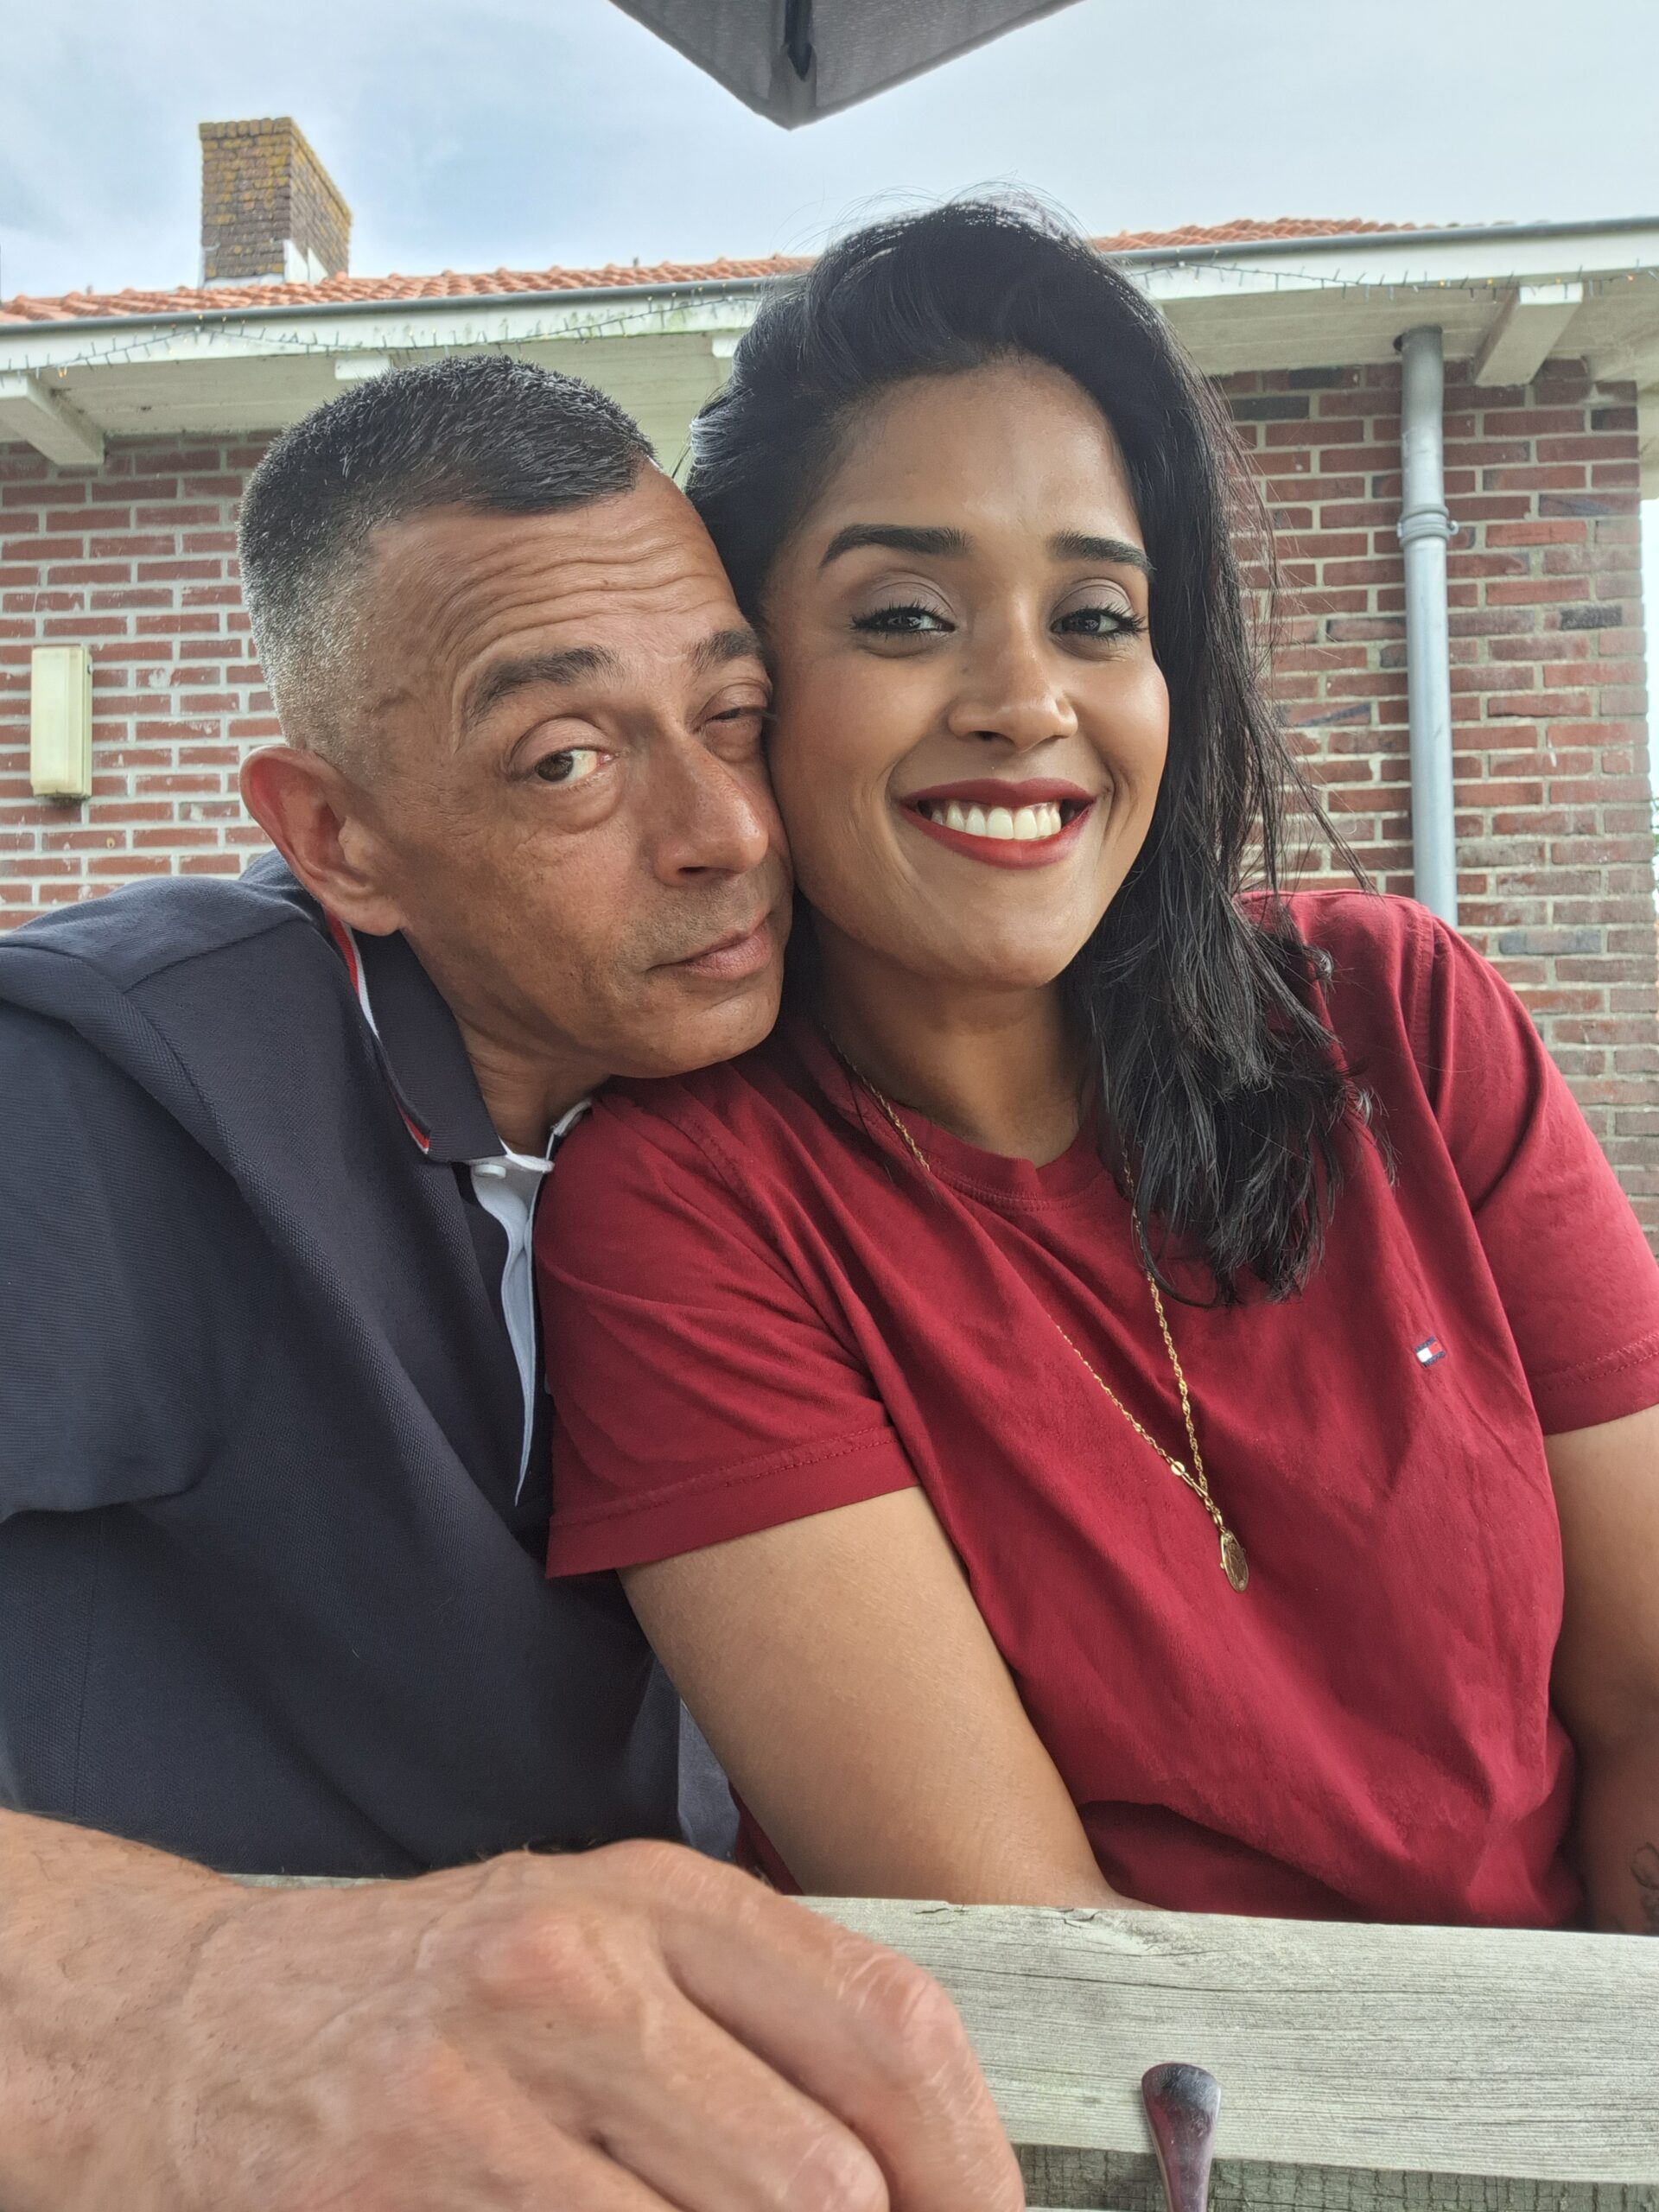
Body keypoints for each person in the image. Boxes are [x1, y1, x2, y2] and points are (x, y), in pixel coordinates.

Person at [538, 200, 1659, 1936]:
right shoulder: (688, 1209)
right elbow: (1040, 1952)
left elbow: (1648, 1698)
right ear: (754, 693)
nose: (1026, 699)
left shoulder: (1395, 1019)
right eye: (907, 616)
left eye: (1095, 615)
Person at [0, 355, 1021, 2212]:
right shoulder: (86, 1097)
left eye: (732, 716)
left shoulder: (798, 1085)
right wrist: (199, 2004)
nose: (728, 831)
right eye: (566, 760)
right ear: (338, 840)